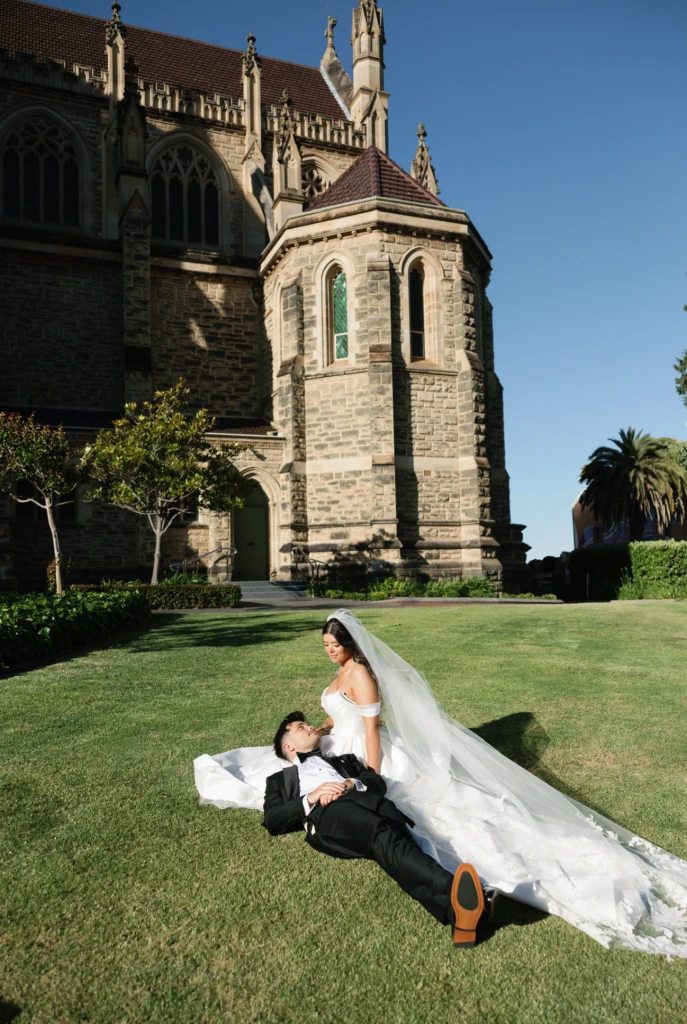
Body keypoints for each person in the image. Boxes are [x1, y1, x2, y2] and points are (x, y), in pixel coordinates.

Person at [194, 609, 687, 958]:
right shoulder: (335, 687)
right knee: (391, 830)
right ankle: (460, 902)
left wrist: (372, 774)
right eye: (324, 645)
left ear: (351, 646)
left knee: (433, 814)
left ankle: (463, 900)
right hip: (338, 758)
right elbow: (336, 720)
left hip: (369, 756)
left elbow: (368, 728)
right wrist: (320, 734)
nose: (328, 651)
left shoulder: (361, 674)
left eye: (334, 645)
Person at [263, 710, 488, 948]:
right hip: (330, 813)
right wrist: (312, 797)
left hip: (371, 802)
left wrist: (351, 783)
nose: (310, 727)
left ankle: (462, 918)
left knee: (397, 843)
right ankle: (453, 888)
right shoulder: (279, 780)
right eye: (301, 727)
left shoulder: (345, 759)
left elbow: (377, 782)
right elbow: (273, 819)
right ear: (288, 746)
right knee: (380, 832)